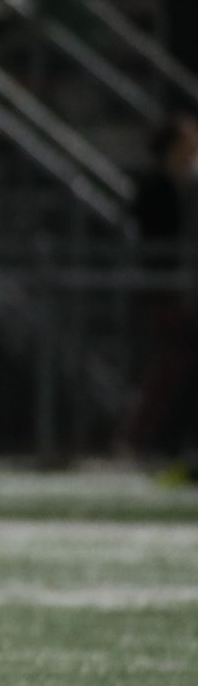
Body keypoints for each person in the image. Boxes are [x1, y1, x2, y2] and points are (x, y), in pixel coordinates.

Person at [128, 115, 198, 462]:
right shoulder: (156, 186)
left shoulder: (187, 186)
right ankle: (142, 437)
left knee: (179, 365)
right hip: (163, 288)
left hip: (181, 288)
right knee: (171, 364)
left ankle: (166, 438)